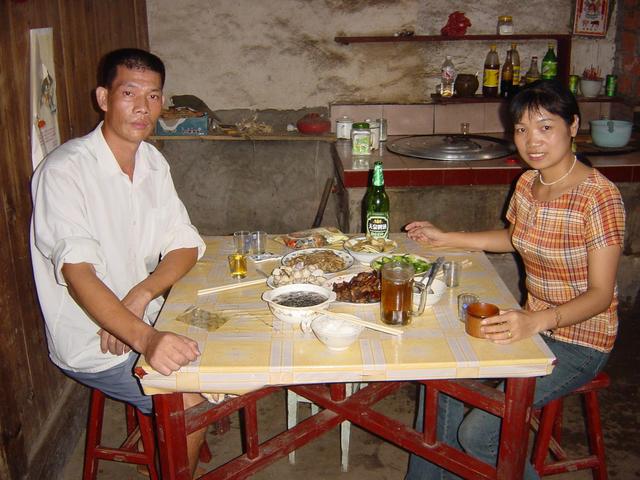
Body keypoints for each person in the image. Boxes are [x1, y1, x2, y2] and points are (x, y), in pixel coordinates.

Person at [404, 80, 625, 480]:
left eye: (545, 127)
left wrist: (536, 321)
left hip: (581, 341)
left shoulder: (599, 198)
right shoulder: (527, 182)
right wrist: (446, 237)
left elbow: (600, 294)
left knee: (480, 433)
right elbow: (514, 237)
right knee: (440, 375)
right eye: (521, 129)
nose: (532, 141)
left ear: (573, 126)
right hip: (532, 323)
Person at [30, 48, 207, 477]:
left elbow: (184, 244)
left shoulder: (151, 162)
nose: (142, 108)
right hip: (92, 341)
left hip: (139, 314)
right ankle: (180, 452)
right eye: (129, 93)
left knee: (234, 346)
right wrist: (143, 338)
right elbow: (78, 274)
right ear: (104, 98)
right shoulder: (66, 170)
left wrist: (141, 293)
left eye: (153, 96)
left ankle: (183, 443)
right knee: (192, 397)